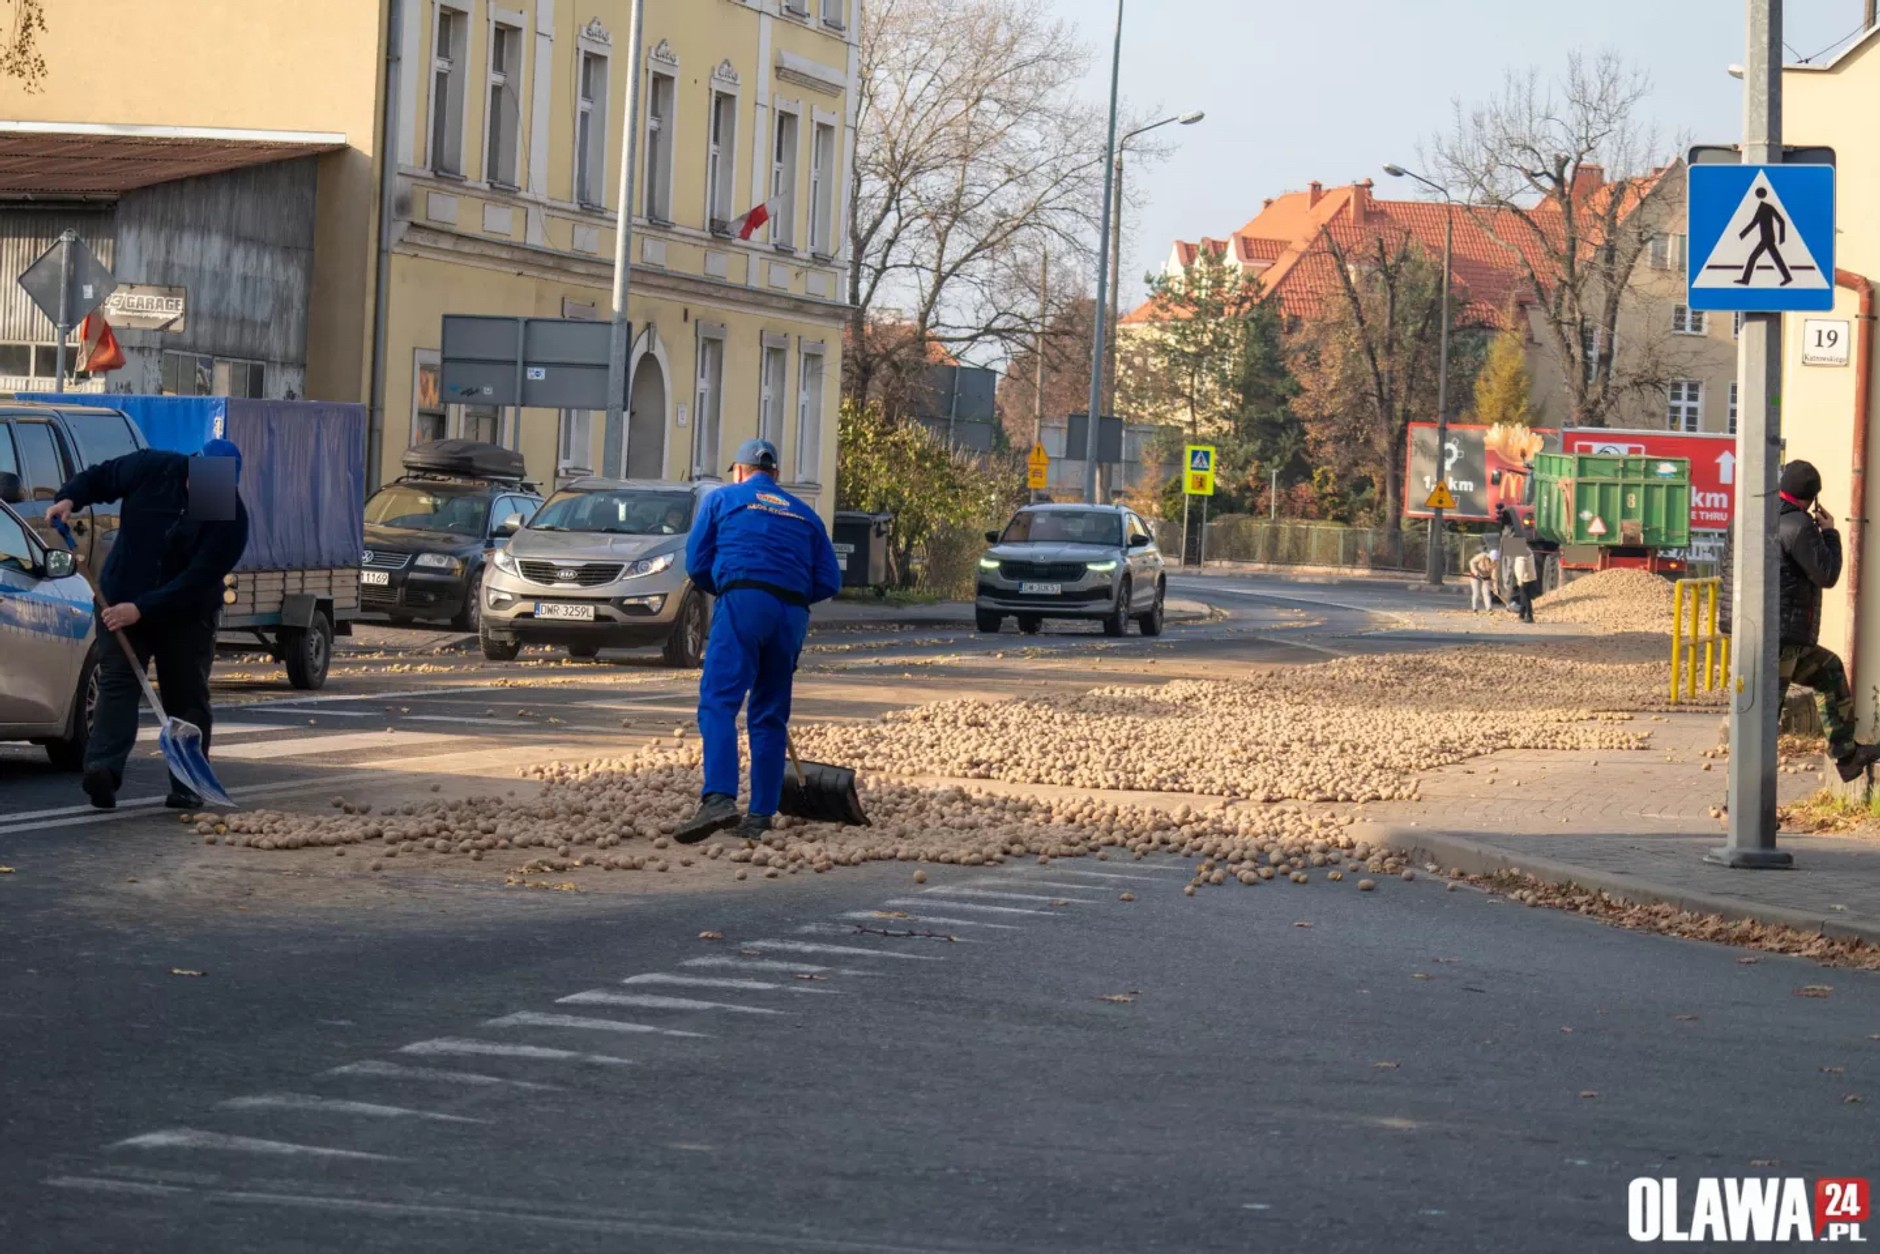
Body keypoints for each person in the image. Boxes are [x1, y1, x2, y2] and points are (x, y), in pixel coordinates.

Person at [46, 439, 250, 810]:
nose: (200, 491)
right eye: (199, 480)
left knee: (185, 693)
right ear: (193, 465)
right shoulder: (151, 468)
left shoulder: (230, 519)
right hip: (120, 593)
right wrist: (69, 498)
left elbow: (198, 579)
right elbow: (102, 477)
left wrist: (141, 609)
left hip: (186, 614)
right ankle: (102, 771)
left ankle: (187, 783)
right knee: (119, 681)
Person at [676, 438, 842, 842]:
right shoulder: (806, 514)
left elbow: (696, 564)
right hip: (792, 613)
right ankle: (760, 817)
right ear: (777, 475)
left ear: (738, 470)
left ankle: (718, 797)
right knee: (768, 713)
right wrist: (789, 596)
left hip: (744, 600)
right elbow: (829, 581)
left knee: (719, 702)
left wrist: (735, 586)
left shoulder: (723, 499)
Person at [1771, 461, 1880, 781]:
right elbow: (1827, 573)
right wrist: (1830, 534)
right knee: (1763, 725)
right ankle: (1743, 807)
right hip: (1781, 639)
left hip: (1781, 636)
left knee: (1829, 670)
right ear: (1811, 499)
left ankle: (1846, 755)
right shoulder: (1799, 526)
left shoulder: (1766, 518)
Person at [1498, 504, 1537, 623]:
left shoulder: (1521, 553)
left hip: (1524, 578)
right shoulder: (1529, 552)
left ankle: (1528, 616)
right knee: (1526, 595)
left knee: (1525, 596)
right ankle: (1522, 615)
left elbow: (1520, 565)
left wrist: (1519, 580)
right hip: (1531, 577)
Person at [1467, 546, 1497, 613]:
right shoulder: (1482, 556)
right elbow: (1472, 562)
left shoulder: (1495, 563)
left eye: (1496, 559)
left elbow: (1494, 576)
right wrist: (1474, 570)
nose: (1494, 561)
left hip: (1486, 577)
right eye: (1493, 559)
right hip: (1475, 576)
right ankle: (1475, 609)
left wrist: (1495, 588)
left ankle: (1489, 609)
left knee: (1486, 593)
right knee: (1476, 593)